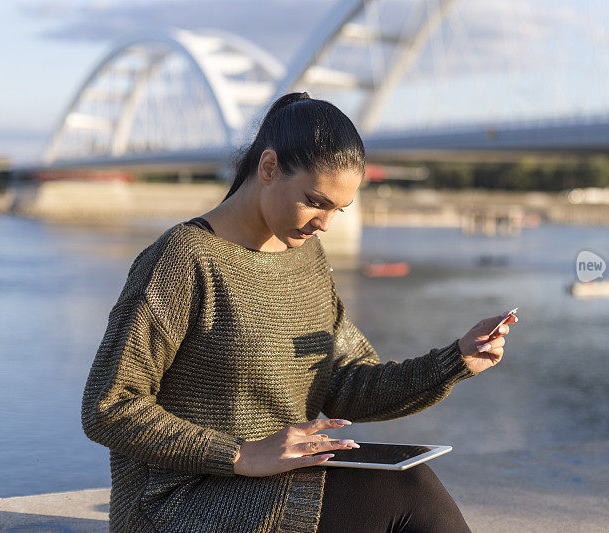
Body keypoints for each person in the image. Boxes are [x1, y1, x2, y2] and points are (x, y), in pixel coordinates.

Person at [81, 92, 518, 533]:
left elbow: (346, 383)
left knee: (412, 482)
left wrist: (454, 361)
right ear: (268, 168)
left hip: (278, 480)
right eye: (316, 201)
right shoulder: (184, 259)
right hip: (177, 502)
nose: (324, 223)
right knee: (403, 500)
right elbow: (109, 406)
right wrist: (240, 455)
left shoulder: (306, 259)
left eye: (338, 209)